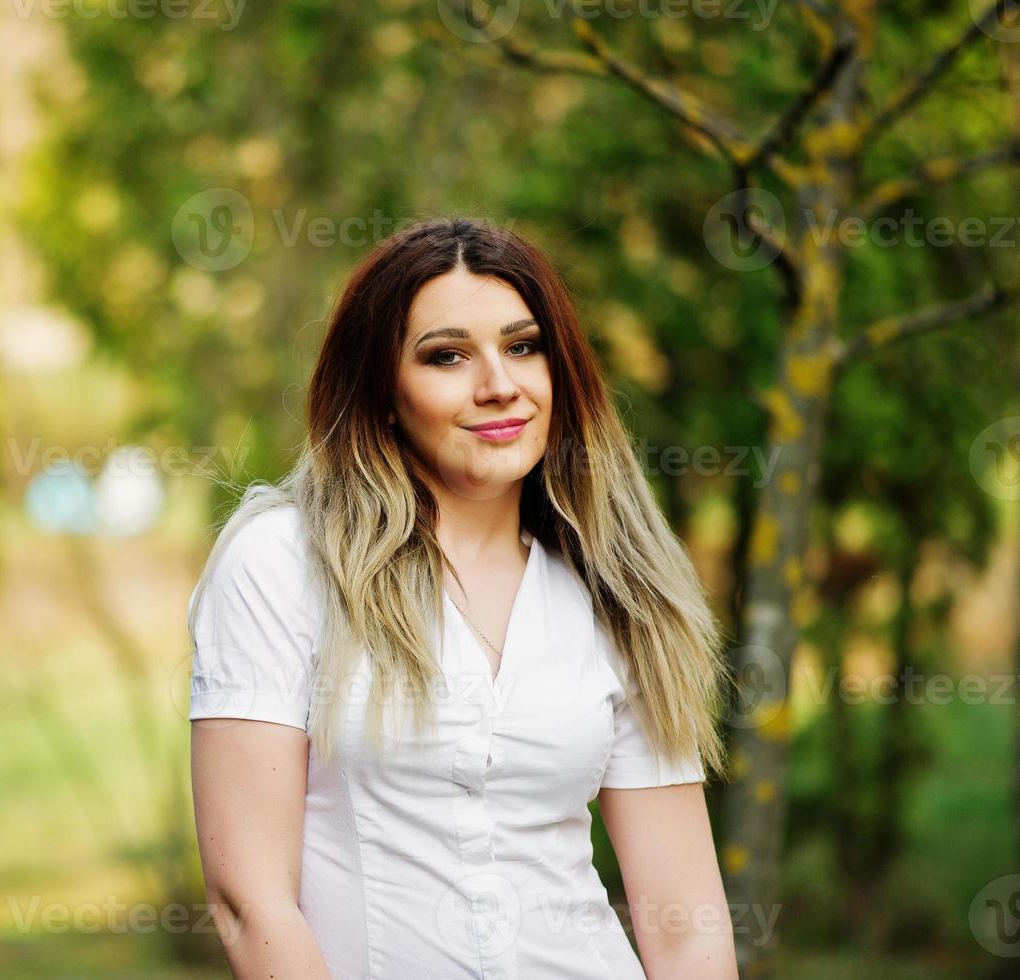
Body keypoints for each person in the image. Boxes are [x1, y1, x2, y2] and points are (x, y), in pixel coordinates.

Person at [187, 217, 739, 979]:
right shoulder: (282, 565)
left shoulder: (620, 590)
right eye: (446, 356)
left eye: (523, 346)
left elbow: (685, 924)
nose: (498, 385)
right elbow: (249, 900)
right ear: (380, 391)